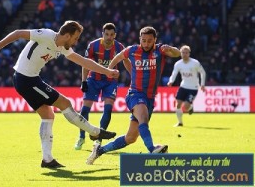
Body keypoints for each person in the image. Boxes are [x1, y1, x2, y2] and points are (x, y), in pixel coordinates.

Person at [0, 20, 118, 169]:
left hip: (29, 79)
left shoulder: (62, 47)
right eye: (76, 38)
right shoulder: (46, 35)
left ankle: (47, 160)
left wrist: (108, 71)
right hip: (26, 79)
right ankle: (94, 132)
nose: (76, 42)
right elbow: (18, 33)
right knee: (65, 103)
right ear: (68, 35)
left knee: (48, 115)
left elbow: (84, 62)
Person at [86, 26, 181, 165]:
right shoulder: (133, 50)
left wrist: (171, 49)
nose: (146, 43)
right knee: (143, 118)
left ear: (155, 40)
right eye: (144, 40)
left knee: (130, 138)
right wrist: (108, 71)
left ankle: (99, 151)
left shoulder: (160, 50)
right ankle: (152, 149)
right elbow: (118, 57)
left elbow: (177, 53)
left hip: (150, 98)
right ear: (140, 40)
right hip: (135, 94)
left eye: (150, 41)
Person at [74, 23, 125, 150]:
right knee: (85, 110)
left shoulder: (119, 47)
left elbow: (126, 62)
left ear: (115, 35)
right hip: (93, 80)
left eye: (111, 35)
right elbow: (85, 63)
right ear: (102, 34)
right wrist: (84, 81)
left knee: (108, 109)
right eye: (106, 34)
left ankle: (99, 139)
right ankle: (81, 137)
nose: (109, 37)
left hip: (110, 81)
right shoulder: (93, 45)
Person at [167, 45, 206, 127]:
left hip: (193, 87)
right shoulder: (178, 64)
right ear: (180, 53)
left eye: (186, 53)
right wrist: (171, 81)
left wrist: (202, 84)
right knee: (178, 104)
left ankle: (190, 107)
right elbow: (174, 73)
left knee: (186, 106)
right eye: (183, 53)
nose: (184, 54)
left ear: (189, 53)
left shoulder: (195, 63)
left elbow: (203, 72)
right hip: (183, 86)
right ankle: (180, 122)